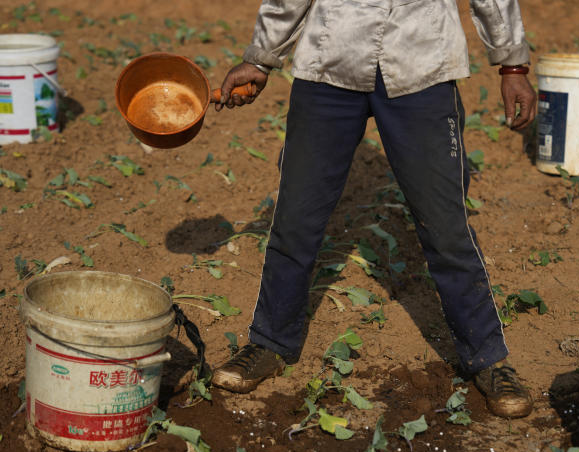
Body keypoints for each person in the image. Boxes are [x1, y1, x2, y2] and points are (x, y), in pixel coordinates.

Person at [212, 0, 537, 419]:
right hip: (331, 61)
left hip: (422, 64)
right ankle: (269, 342)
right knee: (295, 219)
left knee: (446, 229)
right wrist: (260, 58)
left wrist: (512, 66)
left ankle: (488, 358)